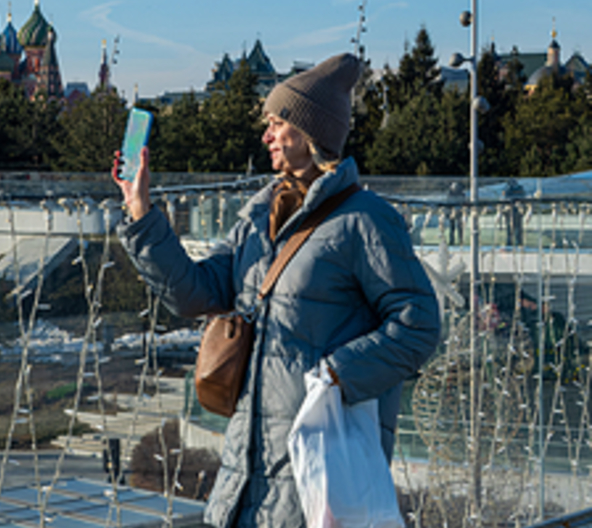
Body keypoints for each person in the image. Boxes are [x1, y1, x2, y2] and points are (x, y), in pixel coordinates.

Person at [112, 53, 440, 528]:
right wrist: (141, 213)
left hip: (314, 479)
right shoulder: (258, 215)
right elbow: (194, 294)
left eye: (277, 123)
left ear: (312, 133)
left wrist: (335, 373)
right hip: (244, 480)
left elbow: (419, 325)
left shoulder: (367, 220)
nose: (266, 136)